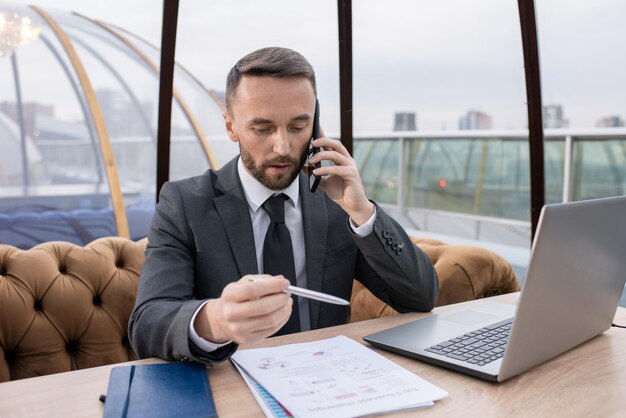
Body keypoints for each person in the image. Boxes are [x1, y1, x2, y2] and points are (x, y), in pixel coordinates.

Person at [129, 47, 438, 363]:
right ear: (231, 127)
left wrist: (362, 212)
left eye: (298, 126)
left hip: (326, 384)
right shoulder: (184, 203)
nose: (282, 147)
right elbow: (147, 324)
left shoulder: (337, 204)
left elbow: (420, 298)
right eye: (262, 129)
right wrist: (216, 320)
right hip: (231, 389)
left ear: (316, 125)